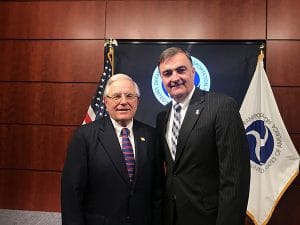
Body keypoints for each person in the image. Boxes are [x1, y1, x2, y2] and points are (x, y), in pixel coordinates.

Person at [156, 47, 250, 225]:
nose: (174, 78)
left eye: (181, 70)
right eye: (167, 73)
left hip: (208, 218)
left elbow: (235, 179)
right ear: (161, 78)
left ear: (193, 71)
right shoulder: (162, 116)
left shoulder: (221, 106)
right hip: (170, 217)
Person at [61, 74, 164, 225]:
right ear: (106, 102)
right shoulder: (84, 136)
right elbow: (72, 192)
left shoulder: (151, 135)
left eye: (129, 96)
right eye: (116, 96)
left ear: (137, 101)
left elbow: (157, 189)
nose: (123, 102)